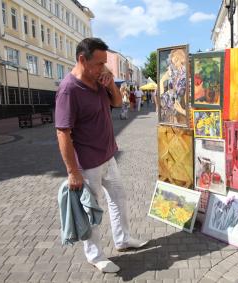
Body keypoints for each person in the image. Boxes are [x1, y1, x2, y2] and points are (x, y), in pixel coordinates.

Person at [55, 38, 148, 273]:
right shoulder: (69, 89)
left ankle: (123, 239)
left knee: (119, 198)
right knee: (92, 211)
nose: (103, 68)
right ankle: (95, 256)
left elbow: (117, 103)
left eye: (105, 63)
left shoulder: (98, 81)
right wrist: (72, 172)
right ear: (82, 59)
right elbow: (62, 133)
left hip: (108, 156)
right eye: (99, 63)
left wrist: (110, 85)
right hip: (87, 165)